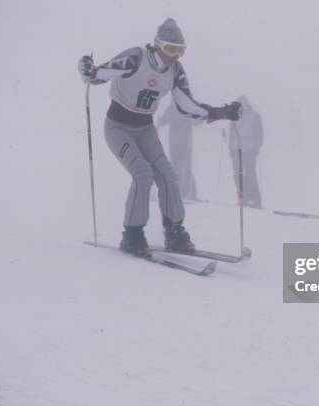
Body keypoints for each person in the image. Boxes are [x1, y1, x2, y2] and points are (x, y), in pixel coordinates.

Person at [77, 18, 241, 256]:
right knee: (142, 173)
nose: (175, 55)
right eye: (171, 49)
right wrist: (89, 70)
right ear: (157, 46)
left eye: (180, 50)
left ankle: (174, 232)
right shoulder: (136, 57)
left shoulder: (175, 71)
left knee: (167, 174)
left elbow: (186, 105)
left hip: (145, 129)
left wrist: (221, 112)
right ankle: (132, 234)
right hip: (118, 127)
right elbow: (102, 73)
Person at [225, 95, 264, 208]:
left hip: (250, 149)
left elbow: (259, 134)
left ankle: (255, 199)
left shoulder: (254, 116)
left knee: (250, 174)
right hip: (236, 149)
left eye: (243, 103)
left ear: (247, 104)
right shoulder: (234, 116)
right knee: (237, 175)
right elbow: (231, 133)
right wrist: (230, 148)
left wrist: (257, 147)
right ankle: (243, 198)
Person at [156, 102, 200, 201]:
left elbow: (163, 120)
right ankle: (187, 192)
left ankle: (182, 192)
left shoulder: (173, 106)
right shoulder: (188, 106)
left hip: (177, 142)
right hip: (185, 142)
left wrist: (159, 122)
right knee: (185, 167)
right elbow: (197, 121)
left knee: (179, 167)